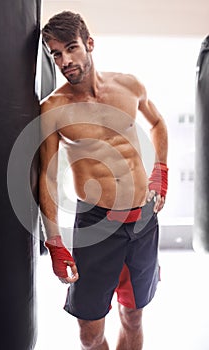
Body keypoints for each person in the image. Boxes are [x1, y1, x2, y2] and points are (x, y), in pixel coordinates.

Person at [39, 11, 168, 350]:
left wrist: (161, 174)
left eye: (71, 48)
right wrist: (54, 242)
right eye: (56, 54)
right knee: (90, 333)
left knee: (134, 316)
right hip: (97, 226)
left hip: (143, 220)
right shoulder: (53, 109)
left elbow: (157, 123)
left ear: (89, 44)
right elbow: (48, 176)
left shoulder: (128, 85)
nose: (65, 60)